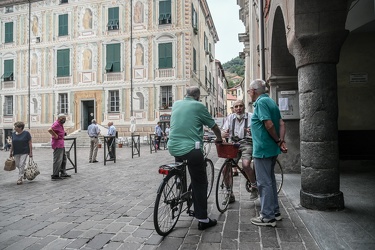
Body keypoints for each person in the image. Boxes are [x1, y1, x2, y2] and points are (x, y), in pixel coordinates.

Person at [168, 86, 223, 230]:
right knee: (200, 181)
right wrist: (219, 138)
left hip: (173, 147)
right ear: (198, 96)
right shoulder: (199, 106)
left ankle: (181, 187)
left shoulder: (176, 104)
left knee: (180, 167)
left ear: (186, 94)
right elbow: (214, 126)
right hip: (191, 149)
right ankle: (203, 219)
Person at [248, 79, 287, 227]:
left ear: (254, 91)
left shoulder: (260, 103)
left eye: (250, 91)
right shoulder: (271, 102)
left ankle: (267, 216)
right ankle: (275, 212)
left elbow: (269, 124)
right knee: (270, 180)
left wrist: (278, 140)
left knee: (263, 182)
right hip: (271, 149)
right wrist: (281, 141)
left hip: (263, 149)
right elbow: (282, 123)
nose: (249, 94)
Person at [221, 99, 258, 203]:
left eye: (240, 106)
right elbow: (223, 131)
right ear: (233, 109)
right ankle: (230, 194)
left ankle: (254, 186)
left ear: (244, 107)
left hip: (247, 143)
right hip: (234, 144)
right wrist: (223, 135)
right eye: (236, 107)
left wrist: (252, 131)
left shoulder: (251, 117)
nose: (238, 109)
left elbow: (259, 130)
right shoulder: (230, 118)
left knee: (246, 165)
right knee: (226, 169)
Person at [48, 114, 71, 180]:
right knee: (58, 160)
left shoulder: (60, 124)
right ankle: (55, 175)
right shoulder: (56, 124)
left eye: (65, 118)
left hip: (61, 144)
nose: (64, 120)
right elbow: (49, 130)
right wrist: (55, 136)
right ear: (59, 118)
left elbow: (60, 132)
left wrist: (64, 133)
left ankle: (63, 172)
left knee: (64, 158)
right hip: (57, 144)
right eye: (63, 118)